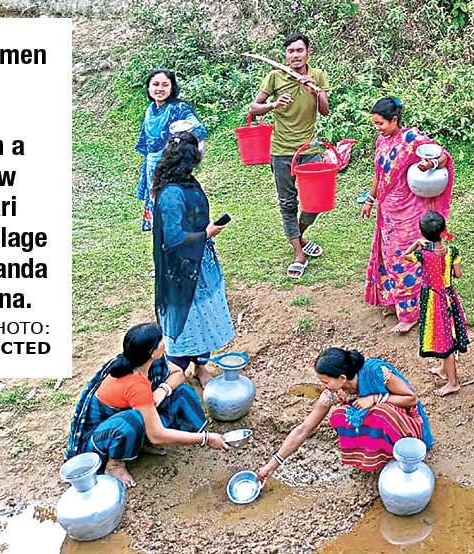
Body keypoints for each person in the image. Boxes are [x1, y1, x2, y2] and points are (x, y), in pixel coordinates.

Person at [64, 323, 230, 487]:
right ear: (152, 352)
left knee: (181, 392)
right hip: (101, 436)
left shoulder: (144, 361)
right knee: (131, 422)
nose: (165, 342)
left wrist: (163, 390)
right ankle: (114, 465)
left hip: (132, 413)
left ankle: (145, 443)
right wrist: (206, 439)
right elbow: (157, 435)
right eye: (161, 340)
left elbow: (178, 374)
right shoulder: (136, 385)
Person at [256, 348, 432, 480]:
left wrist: (375, 398)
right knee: (341, 415)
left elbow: (411, 398)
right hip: (386, 422)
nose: (323, 387)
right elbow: (304, 429)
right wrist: (272, 465)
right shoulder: (334, 393)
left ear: (342, 378)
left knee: (380, 413)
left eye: (325, 382)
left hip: (407, 423)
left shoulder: (376, 372)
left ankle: (401, 456)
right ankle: (376, 457)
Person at [362, 97, 453, 333]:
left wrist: (431, 165)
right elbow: (379, 174)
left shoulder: (411, 139)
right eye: (375, 124)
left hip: (410, 212)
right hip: (388, 211)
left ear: (395, 120)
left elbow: (443, 155)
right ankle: (394, 300)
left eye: (381, 123)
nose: (378, 128)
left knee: (406, 259)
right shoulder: (382, 140)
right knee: (389, 257)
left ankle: (410, 313)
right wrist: (370, 200)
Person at [152, 132, 236, 382]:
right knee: (187, 317)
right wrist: (205, 233)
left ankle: (200, 366)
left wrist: (205, 232)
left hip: (201, 261)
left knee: (204, 314)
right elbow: (173, 239)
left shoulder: (187, 182)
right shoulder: (171, 194)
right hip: (181, 269)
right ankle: (174, 374)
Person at [248, 32, 331, 279]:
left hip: (309, 150)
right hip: (281, 151)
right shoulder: (275, 77)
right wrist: (273, 105)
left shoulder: (317, 75)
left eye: (299, 50)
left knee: (316, 202)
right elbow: (254, 108)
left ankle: (299, 235)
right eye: (291, 51)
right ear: (286, 54)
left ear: (308, 53)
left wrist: (315, 91)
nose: (295, 55)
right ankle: (298, 253)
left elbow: (325, 111)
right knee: (287, 202)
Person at [402, 211, 469, 396]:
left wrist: (416, 243)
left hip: (434, 301)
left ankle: (453, 382)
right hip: (449, 297)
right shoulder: (452, 251)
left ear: (423, 234)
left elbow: (405, 255)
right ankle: (444, 369)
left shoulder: (422, 254)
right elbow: (458, 274)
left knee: (445, 340)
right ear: (443, 230)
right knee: (447, 334)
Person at [134, 69, 206, 232]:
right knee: (160, 214)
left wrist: (181, 135)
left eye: (165, 85)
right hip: (153, 169)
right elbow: (147, 144)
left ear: (172, 88)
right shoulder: (150, 110)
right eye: (155, 84)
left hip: (173, 168)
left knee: (175, 209)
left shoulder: (179, 108)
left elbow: (198, 129)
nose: (160, 89)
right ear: (148, 88)